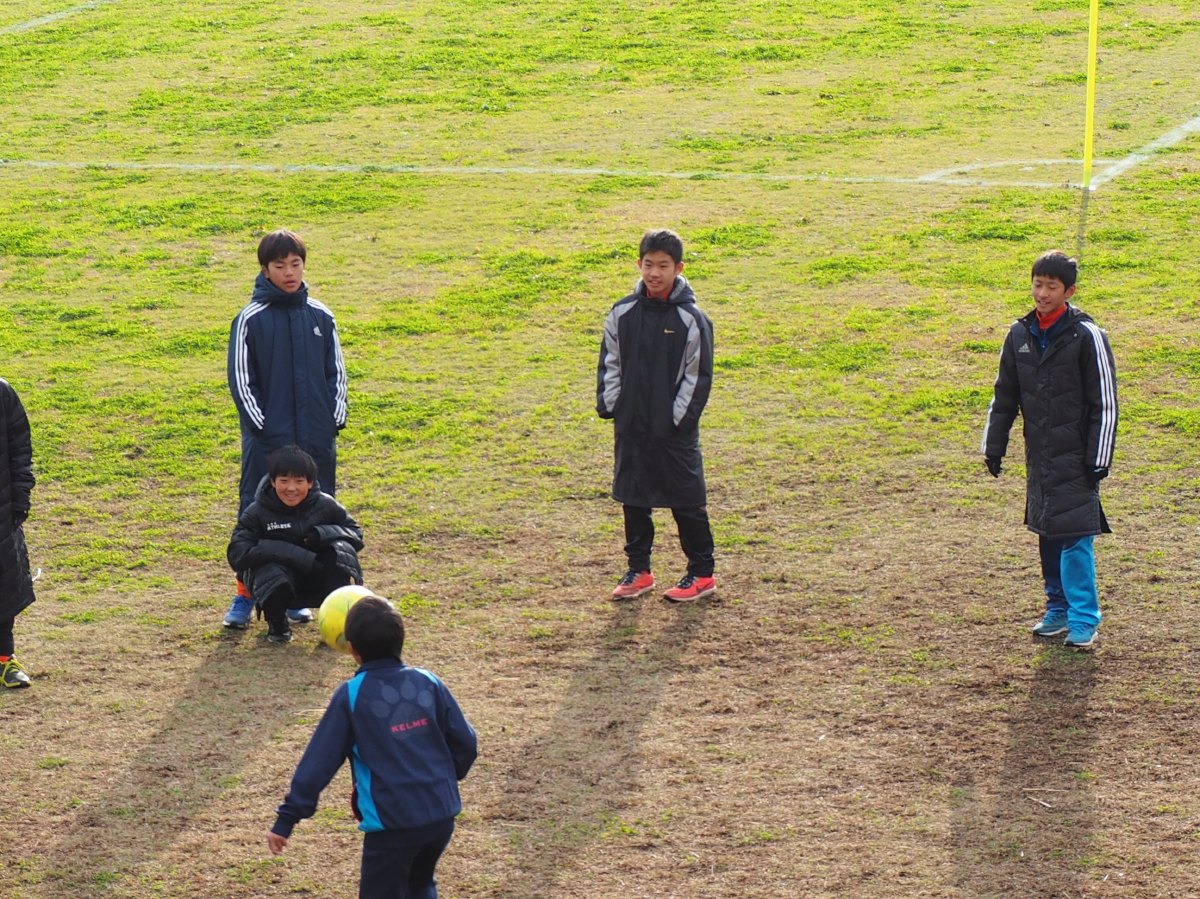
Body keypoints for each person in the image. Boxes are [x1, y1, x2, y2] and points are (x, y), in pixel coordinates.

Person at [267, 596, 478, 899]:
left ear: (351, 648)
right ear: (401, 638)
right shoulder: (428, 682)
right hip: (440, 815)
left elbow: (318, 763)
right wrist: (440, 778)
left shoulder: (351, 695)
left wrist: (287, 819)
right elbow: (466, 742)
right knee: (419, 883)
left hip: (393, 825)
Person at [982, 250, 1118, 649]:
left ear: (1069, 291)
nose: (1042, 294)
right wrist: (994, 445)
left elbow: (1105, 403)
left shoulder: (1088, 336)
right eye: (1037, 285)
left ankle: (1083, 618)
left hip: (1078, 459)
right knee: (1047, 534)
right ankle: (1057, 608)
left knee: (1075, 537)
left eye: (1051, 287)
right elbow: (1004, 396)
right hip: (1040, 458)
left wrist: (1098, 459)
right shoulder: (1019, 334)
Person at [224, 228, 349, 629]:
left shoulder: (321, 316)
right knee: (256, 517)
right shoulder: (249, 319)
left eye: (296, 264)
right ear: (265, 270)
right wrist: (264, 429)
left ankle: (299, 597)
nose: (290, 272)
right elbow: (241, 381)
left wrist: (333, 420)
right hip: (268, 444)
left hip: (316, 441)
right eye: (280, 266)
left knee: (316, 518)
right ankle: (245, 596)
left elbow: (336, 373)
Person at [596, 229, 717, 603]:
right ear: (639, 264)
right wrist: (613, 407)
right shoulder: (622, 313)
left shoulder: (692, 319)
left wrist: (676, 422)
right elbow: (610, 362)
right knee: (633, 498)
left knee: (687, 501)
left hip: (673, 431)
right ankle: (640, 570)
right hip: (632, 423)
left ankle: (702, 573)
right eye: (648, 264)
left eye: (663, 266)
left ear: (678, 268)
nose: (654, 273)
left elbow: (698, 377)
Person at [227, 445, 363, 644]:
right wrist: (290, 553)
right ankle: (277, 624)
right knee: (270, 570)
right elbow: (237, 553)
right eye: (284, 481)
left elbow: (356, 534)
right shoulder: (256, 512)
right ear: (273, 482)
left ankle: (337, 624)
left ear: (310, 483)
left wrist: (320, 535)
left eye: (299, 481)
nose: (291, 488)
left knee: (340, 552)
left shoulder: (326, 504)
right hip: (278, 580)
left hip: (316, 575)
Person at [0, 378, 36, 688]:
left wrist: (20, 499)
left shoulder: (2, 394)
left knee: (4, 587)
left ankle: (4, 661)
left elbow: (20, 448)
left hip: (1, 513)